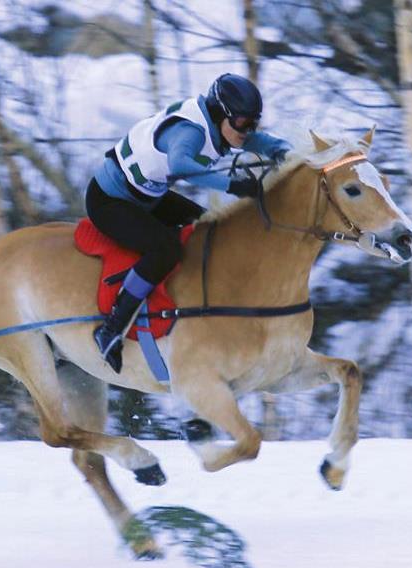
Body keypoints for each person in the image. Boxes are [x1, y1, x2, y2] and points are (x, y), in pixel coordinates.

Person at [87, 73, 292, 371]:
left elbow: (257, 141)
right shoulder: (191, 132)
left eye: (253, 123)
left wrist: (285, 152)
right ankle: (111, 329)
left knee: (208, 231)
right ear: (221, 115)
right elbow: (181, 166)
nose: (248, 132)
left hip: (146, 197)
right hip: (109, 202)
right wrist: (232, 185)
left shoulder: (221, 125)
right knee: (166, 249)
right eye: (242, 124)